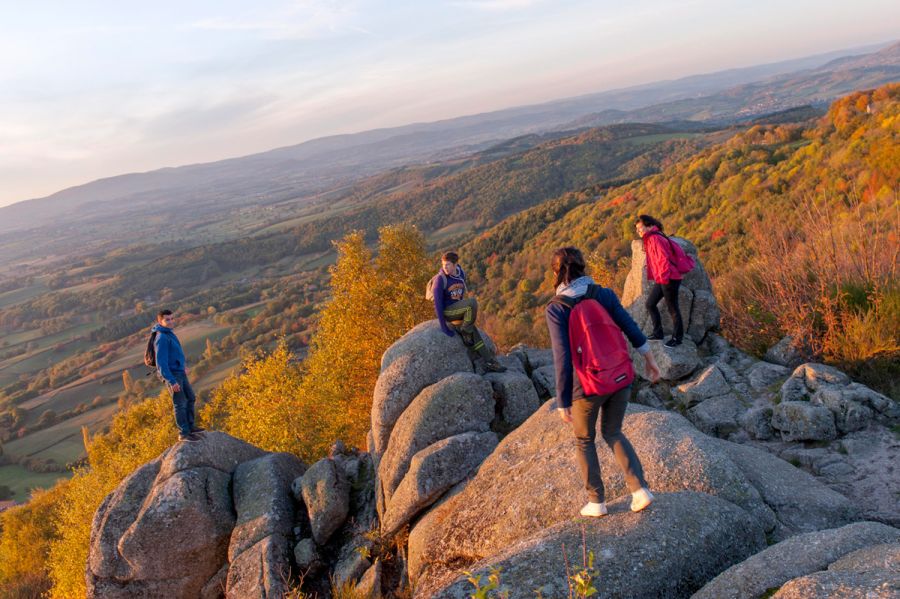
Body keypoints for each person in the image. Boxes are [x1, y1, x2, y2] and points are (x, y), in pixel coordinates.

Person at [545, 247, 660, 517]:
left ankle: (596, 502)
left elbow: (561, 356)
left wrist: (563, 401)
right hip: (620, 376)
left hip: (586, 386)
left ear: (555, 273)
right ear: (584, 267)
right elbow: (630, 327)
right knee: (613, 432)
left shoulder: (557, 308)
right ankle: (640, 490)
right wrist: (650, 359)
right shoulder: (604, 293)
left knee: (584, 439)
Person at [432, 251, 506, 372]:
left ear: (456, 264)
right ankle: (465, 330)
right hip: (448, 312)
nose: (445, 267)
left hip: (460, 311)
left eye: (448, 265)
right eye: (443, 264)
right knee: (472, 303)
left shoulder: (460, 273)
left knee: (475, 334)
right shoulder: (440, 279)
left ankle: (490, 362)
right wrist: (444, 327)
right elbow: (438, 305)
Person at [153, 309, 204, 442]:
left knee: (191, 398)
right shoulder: (161, 338)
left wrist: (183, 366)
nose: (170, 321)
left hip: (179, 371)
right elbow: (161, 363)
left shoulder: (169, 333)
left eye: (171, 319)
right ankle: (184, 433)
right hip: (173, 375)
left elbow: (175, 354)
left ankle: (190, 427)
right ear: (160, 321)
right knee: (180, 404)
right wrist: (171, 381)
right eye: (167, 319)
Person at [636, 214, 684, 348]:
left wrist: (663, 278)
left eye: (640, 228)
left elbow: (663, 260)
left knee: (673, 308)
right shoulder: (652, 237)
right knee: (650, 304)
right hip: (663, 277)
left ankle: (677, 338)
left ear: (650, 226)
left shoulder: (655, 238)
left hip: (669, 277)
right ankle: (658, 333)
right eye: (637, 229)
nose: (638, 231)